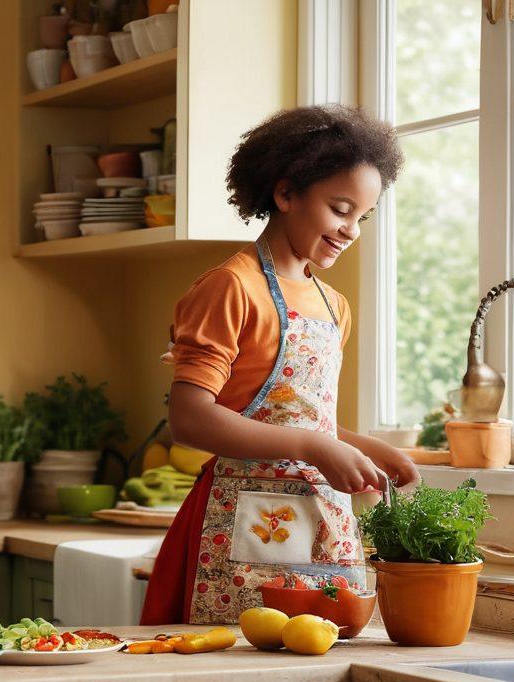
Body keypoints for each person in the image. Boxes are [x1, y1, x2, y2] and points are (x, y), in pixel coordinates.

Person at [141, 104, 419, 625]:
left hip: (321, 529)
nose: (352, 230)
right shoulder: (232, 287)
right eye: (340, 209)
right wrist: (317, 446)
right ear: (286, 193)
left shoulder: (334, 305)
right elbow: (190, 417)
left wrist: (363, 448)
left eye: (363, 216)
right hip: (238, 528)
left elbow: (292, 415)